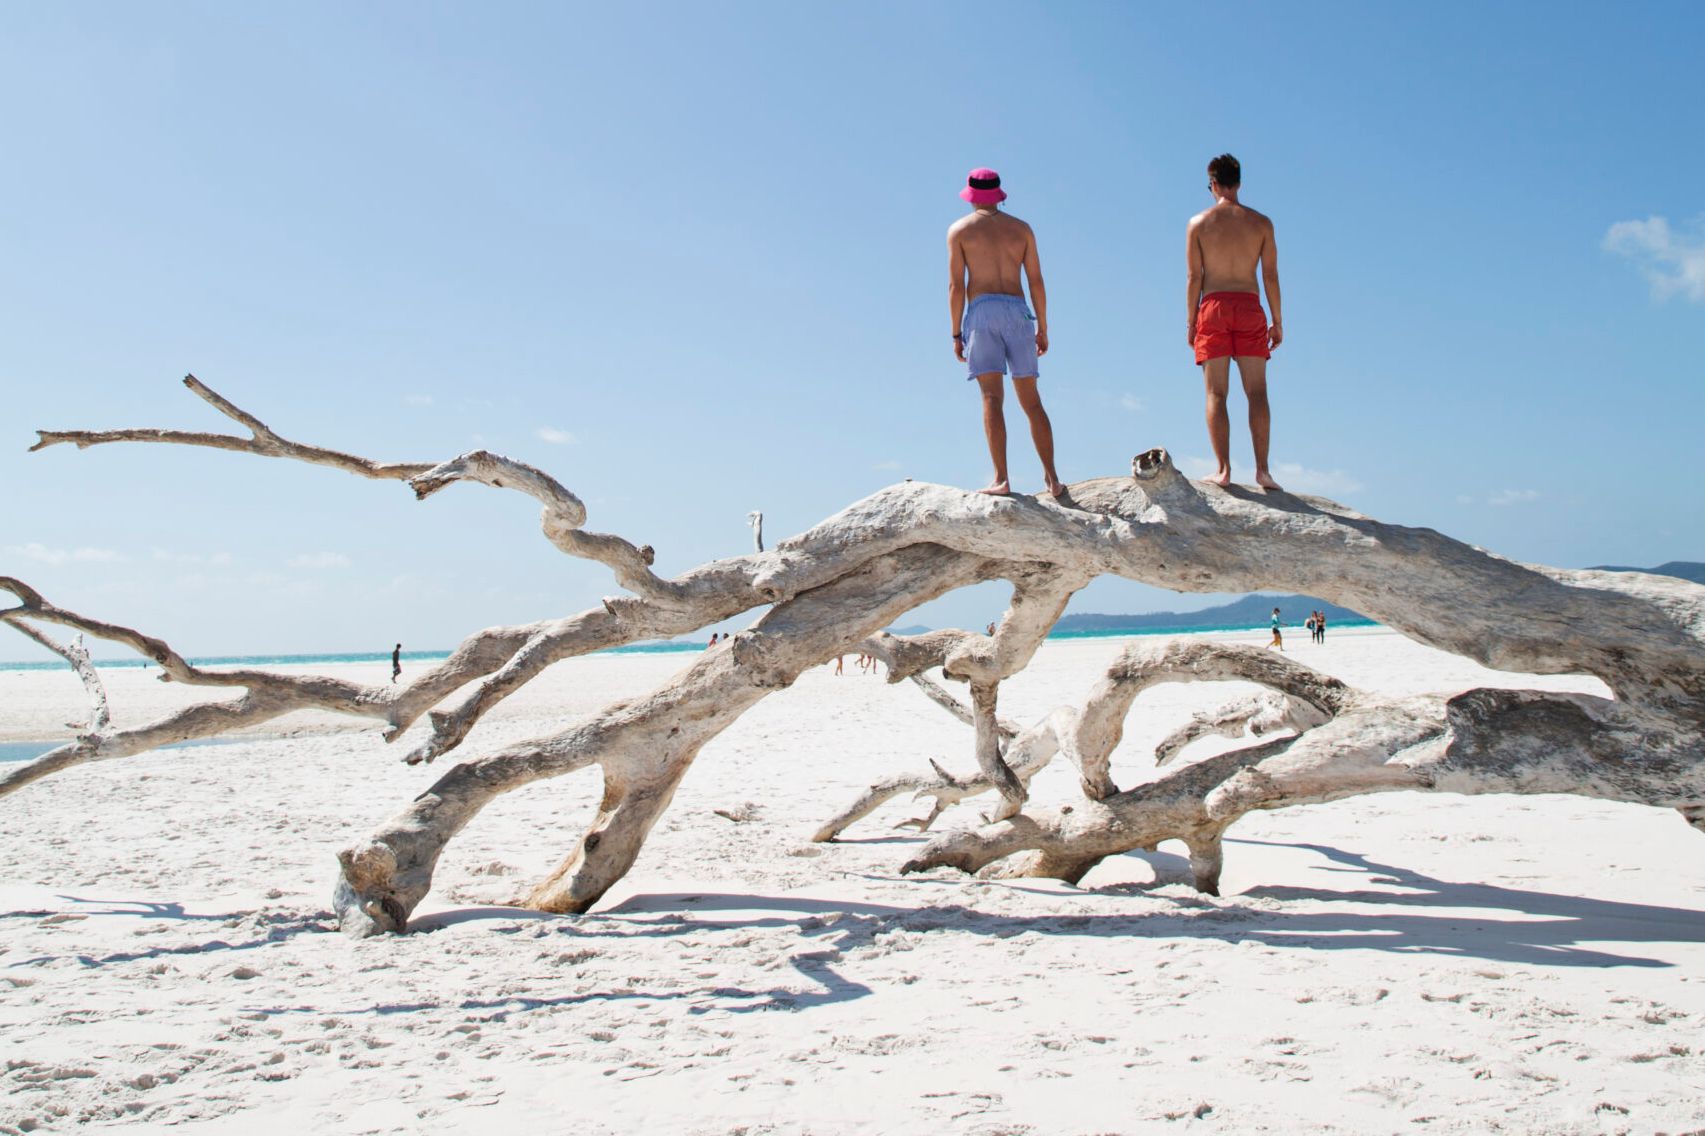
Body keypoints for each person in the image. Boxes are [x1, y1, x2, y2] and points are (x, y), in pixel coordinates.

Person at [947, 168, 1064, 499]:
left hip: (982, 312)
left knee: (991, 398)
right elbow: (1036, 280)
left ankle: (1001, 478)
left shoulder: (959, 231)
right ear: (998, 194)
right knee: (1032, 400)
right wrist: (1042, 325)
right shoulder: (1021, 229)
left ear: (971, 195)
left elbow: (957, 286)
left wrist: (956, 333)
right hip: (1018, 310)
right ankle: (1052, 478)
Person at [1186, 153, 1283, 491]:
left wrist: (1190, 322)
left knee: (1216, 392)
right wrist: (1277, 320)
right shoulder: (1261, 223)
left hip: (1213, 306)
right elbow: (1269, 275)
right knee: (1257, 392)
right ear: (1239, 182)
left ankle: (1223, 469)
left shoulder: (1198, 223)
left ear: (1212, 184)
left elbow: (1193, 277)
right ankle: (1263, 471)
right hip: (1249, 305)